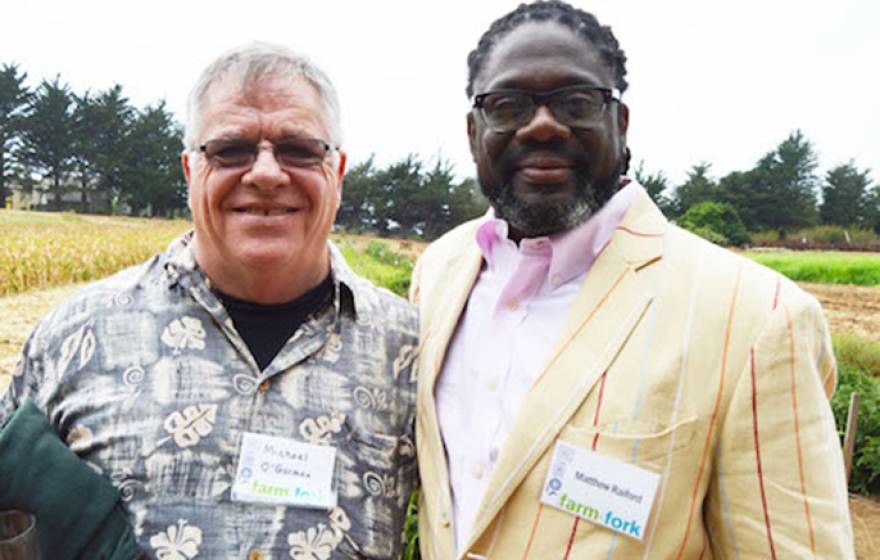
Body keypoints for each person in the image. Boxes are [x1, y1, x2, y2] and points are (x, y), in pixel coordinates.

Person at [410, 2, 855, 558]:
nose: (543, 125)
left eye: (576, 102)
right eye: (508, 105)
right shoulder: (440, 272)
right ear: (474, 131)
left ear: (620, 123)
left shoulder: (758, 318)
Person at [0, 42, 419, 559]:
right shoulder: (76, 335)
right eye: (230, 149)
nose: (266, 173)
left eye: (299, 149)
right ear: (190, 170)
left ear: (338, 170)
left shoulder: (411, 353)